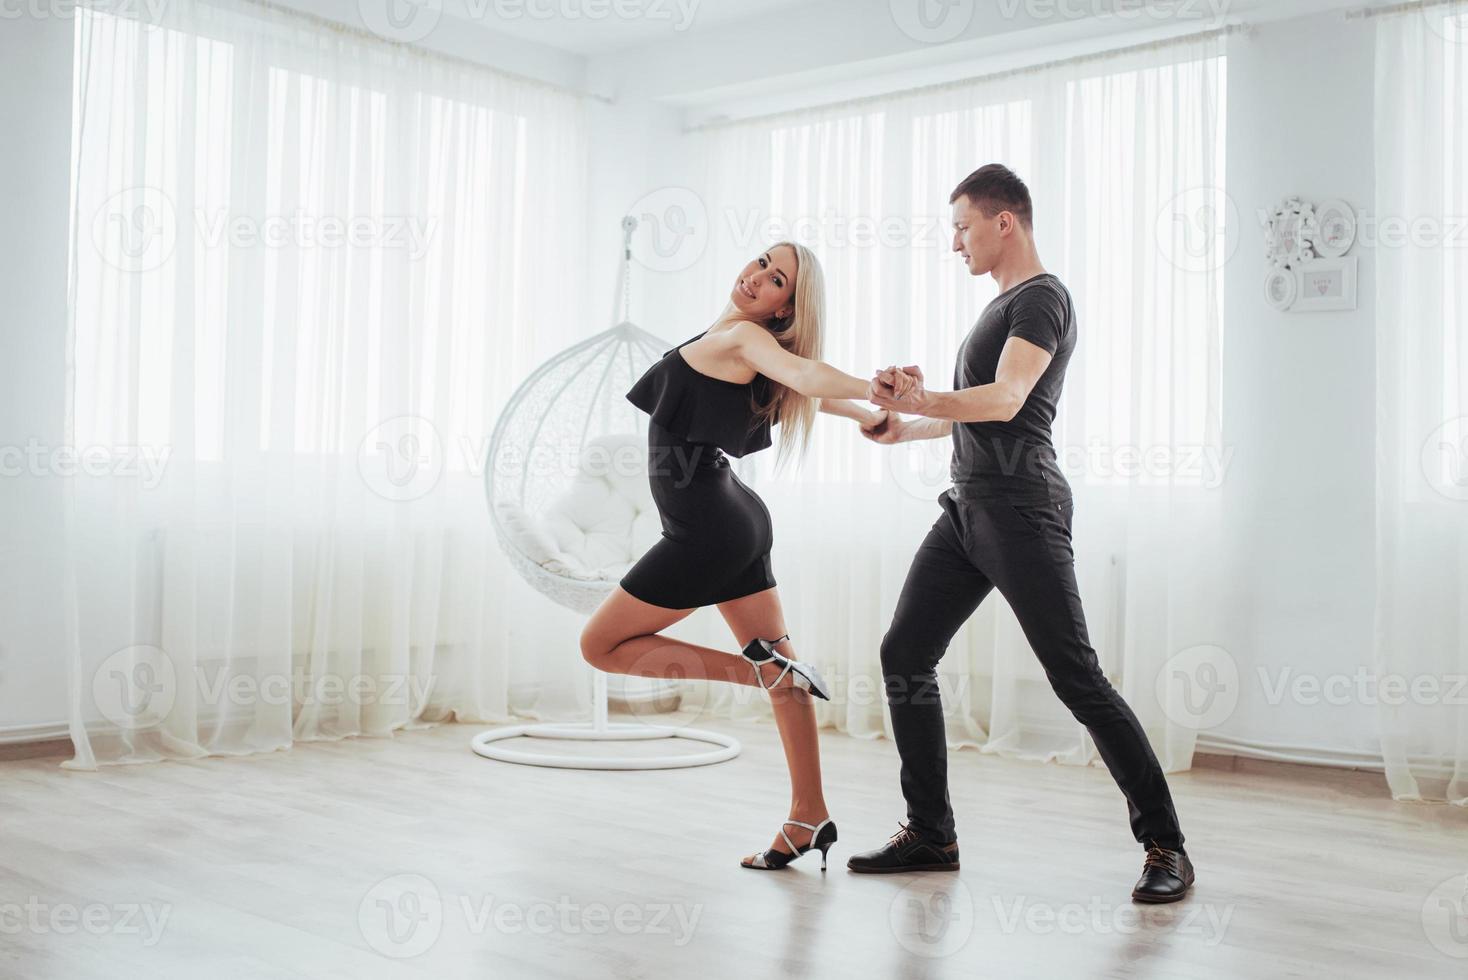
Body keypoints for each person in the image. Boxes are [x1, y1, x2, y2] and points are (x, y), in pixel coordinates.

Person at [852, 164, 1194, 903]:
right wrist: (906, 425)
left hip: (1020, 507)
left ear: (1004, 222)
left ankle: (1166, 845)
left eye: (962, 227)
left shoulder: (1042, 299)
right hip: (968, 507)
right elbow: (972, 410)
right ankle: (931, 833)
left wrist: (921, 392)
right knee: (905, 651)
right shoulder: (1000, 306)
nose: (955, 245)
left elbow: (1007, 402)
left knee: (1077, 677)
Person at [579, 241, 909, 872]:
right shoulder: (738, 339)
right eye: (762, 261)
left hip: (706, 528)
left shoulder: (746, 340)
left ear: (786, 308)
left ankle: (761, 673)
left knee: (600, 646)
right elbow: (803, 388)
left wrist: (878, 390)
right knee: (785, 669)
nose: (758, 277)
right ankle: (807, 816)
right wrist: (867, 413)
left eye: (777, 278)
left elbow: (809, 377)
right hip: (735, 518)